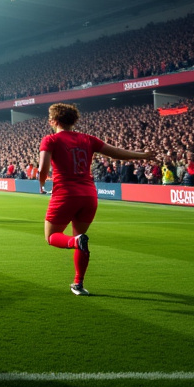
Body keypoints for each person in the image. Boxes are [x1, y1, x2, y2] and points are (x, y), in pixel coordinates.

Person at [37, 103, 155, 296]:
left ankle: (75, 243)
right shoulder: (87, 139)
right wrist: (143, 155)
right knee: (81, 237)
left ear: (54, 121)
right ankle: (78, 283)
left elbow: (43, 167)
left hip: (65, 194)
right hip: (89, 195)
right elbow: (116, 152)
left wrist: (41, 185)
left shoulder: (50, 140)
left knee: (52, 237)